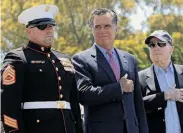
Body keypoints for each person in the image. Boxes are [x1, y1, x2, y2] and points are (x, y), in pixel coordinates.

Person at [1, 4, 83, 133]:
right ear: (29, 31)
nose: (49, 30)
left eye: (51, 26)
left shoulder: (64, 59)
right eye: (42, 26)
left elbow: (74, 103)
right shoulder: (18, 58)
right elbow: (8, 105)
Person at [72, 8, 148, 133]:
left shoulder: (129, 59)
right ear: (92, 30)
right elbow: (84, 95)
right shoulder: (81, 59)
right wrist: (119, 88)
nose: (102, 31)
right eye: (97, 27)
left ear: (116, 29)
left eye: (107, 26)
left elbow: (138, 104)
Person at [138, 30, 183, 133]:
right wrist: (164, 96)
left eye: (161, 43)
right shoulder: (140, 77)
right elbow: (136, 107)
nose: (156, 47)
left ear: (171, 49)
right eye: (152, 45)